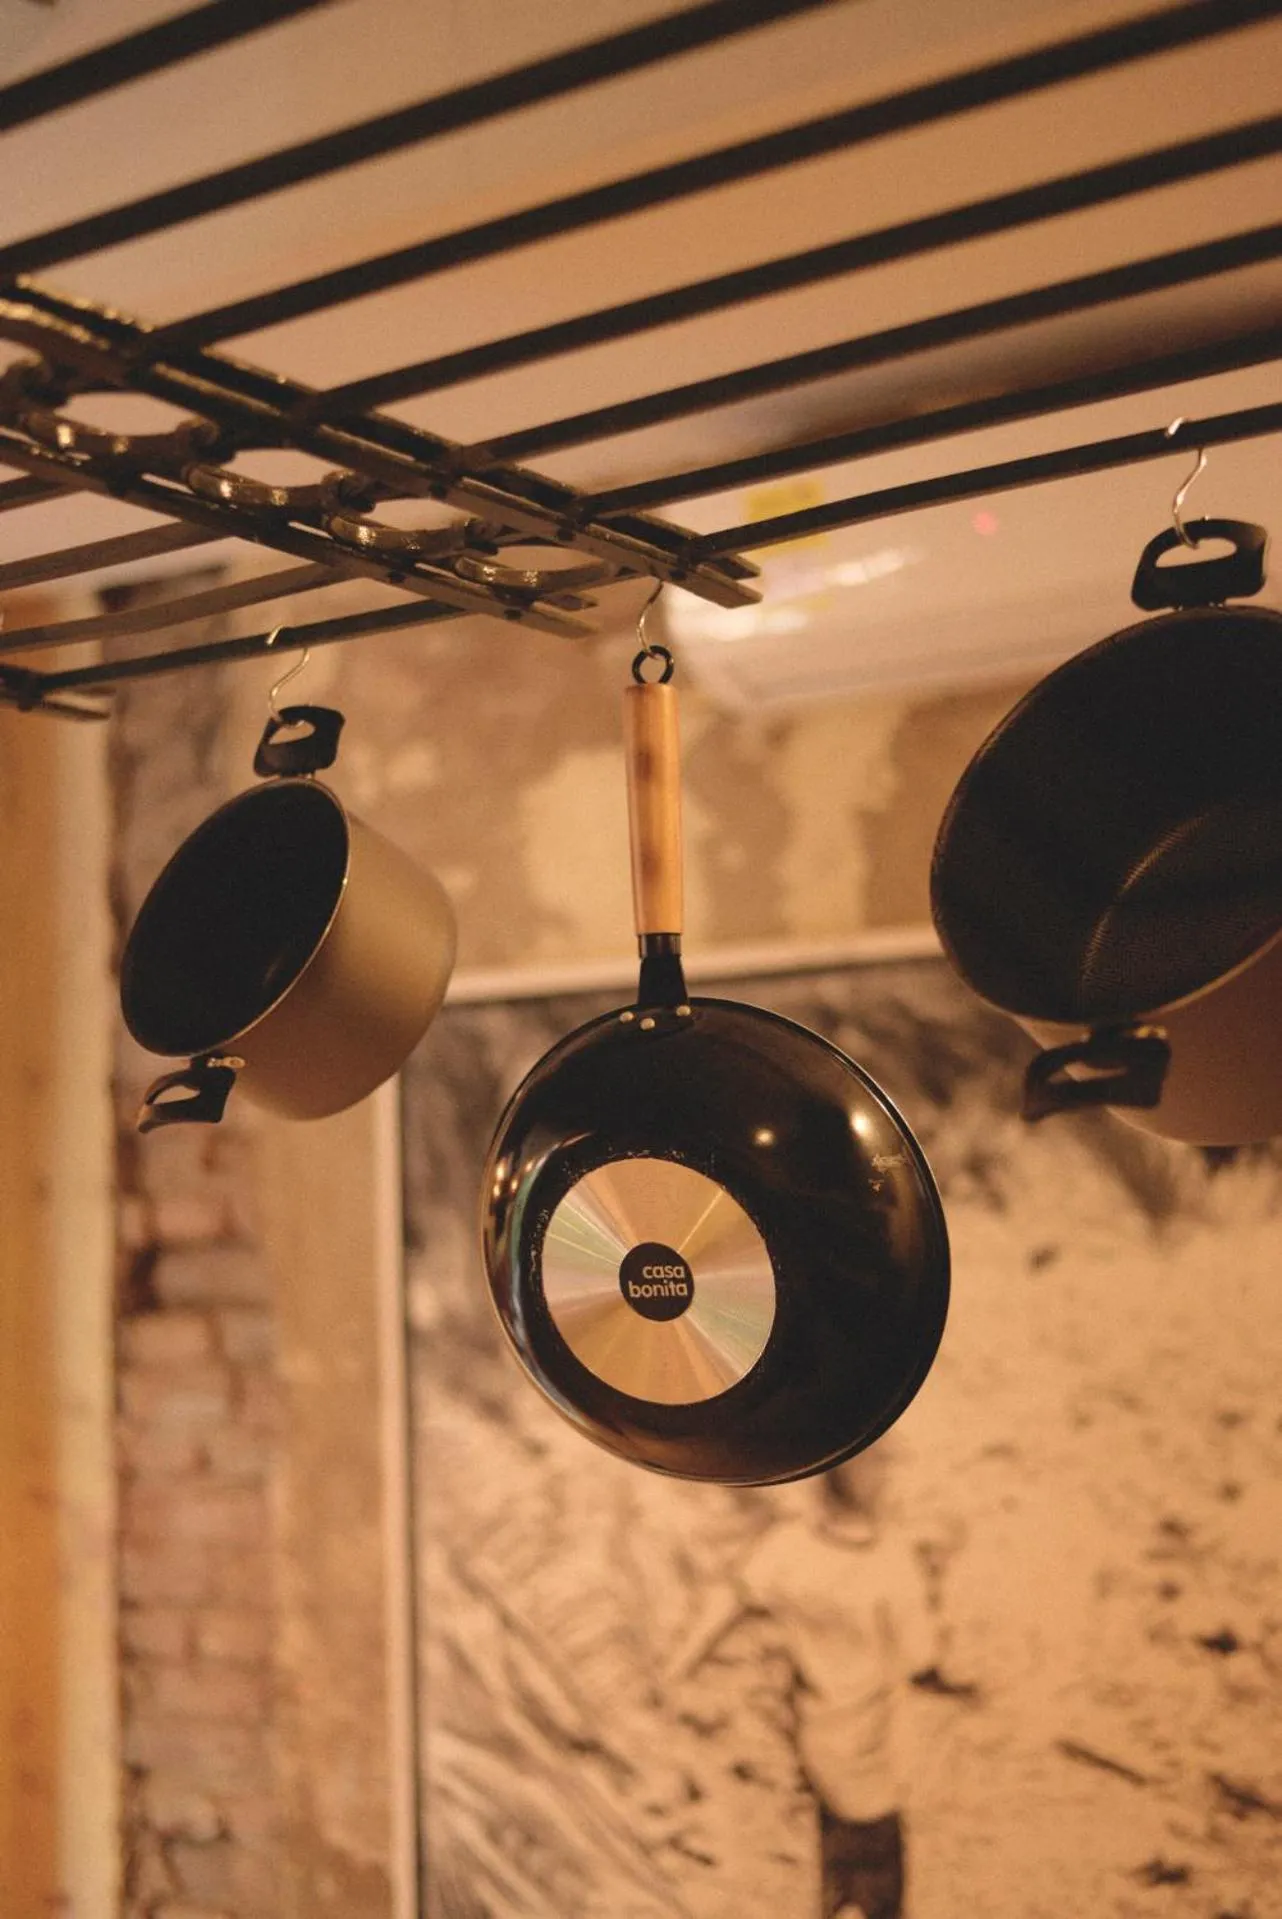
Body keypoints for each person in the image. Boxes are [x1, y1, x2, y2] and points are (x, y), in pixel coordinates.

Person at [665, 1457, 936, 1919]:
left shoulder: (789, 1548)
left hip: (817, 1737)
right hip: (874, 1751)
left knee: (836, 1863)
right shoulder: (891, 1562)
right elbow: (921, 1657)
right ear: (880, 1489)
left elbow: (729, 1600)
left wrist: (678, 1665)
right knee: (877, 1879)